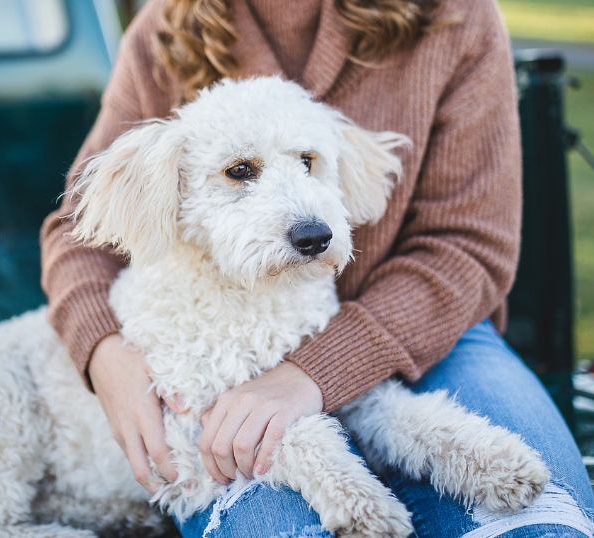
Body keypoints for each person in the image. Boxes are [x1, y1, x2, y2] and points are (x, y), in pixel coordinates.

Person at [40, 0, 594, 535]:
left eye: (308, 162)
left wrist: (315, 371)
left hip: (436, 332)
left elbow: (468, 243)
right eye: (240, 171)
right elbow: (77, 230)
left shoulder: (454, 15)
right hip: (213, 348)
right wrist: (104, 353)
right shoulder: (167, 26)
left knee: (541, 521)